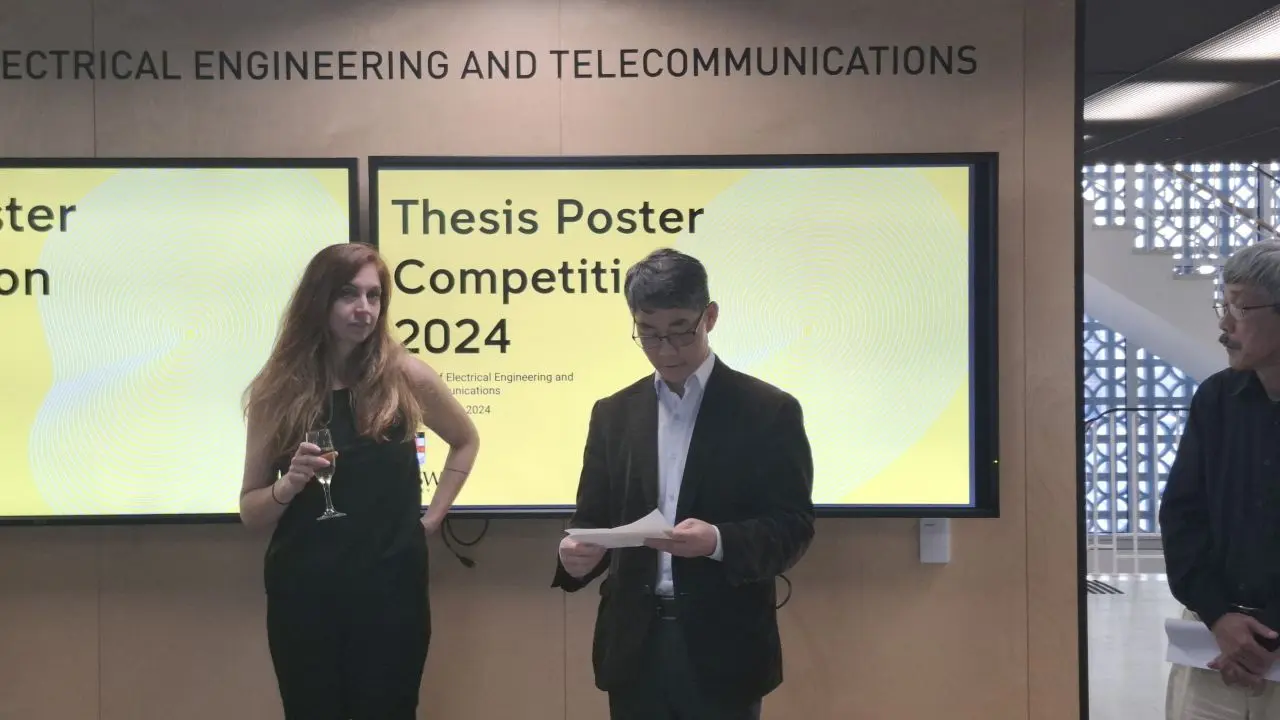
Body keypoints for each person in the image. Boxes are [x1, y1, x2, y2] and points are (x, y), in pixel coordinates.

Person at [552, 247, 815, 720]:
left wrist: (717, 540)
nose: (666, 349)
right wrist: (576, 556)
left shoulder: (767, 411)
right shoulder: (613, 414)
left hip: (725, 646)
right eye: (648, 333)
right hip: (634, 647)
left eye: (680, 330)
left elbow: (793, 526)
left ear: (709, 317)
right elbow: (592, 520)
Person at [238, 242, 479, 719]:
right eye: (348, 294)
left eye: (374, 296)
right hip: (305, 591)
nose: (364, 308)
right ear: (318, 300)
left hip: (390, 589)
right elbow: (251, 511)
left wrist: (432, 519)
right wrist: (288, 486)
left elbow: (465, 440)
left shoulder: (405, 375)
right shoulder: (277, 391)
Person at [1160, 241, 1280, 717]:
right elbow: (1182, 516)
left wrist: (1267, 634)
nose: (1224, 325)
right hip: (1213, 643)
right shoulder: (1215, 399)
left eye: (1240, 307)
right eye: (1223, 306)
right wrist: (1219, 616)